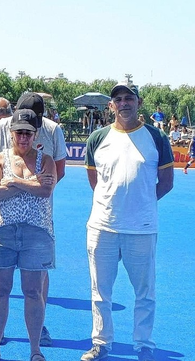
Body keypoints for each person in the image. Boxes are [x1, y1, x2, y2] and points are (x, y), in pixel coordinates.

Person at [81, 83, 173, 361]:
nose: (124, 103)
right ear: (111, 106)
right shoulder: (97, 138)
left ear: (138, 102)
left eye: (128, 98)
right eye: (118, 99)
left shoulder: (156, 138)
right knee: (100, 292)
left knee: (145, 292)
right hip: (102, 227)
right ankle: (101, 343)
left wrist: (140, 203)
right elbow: (94, 181)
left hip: (141, 229)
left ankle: (144, 344)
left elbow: (166, 183)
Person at [0, 92, 67, 347]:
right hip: (1, 224)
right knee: (0, 289)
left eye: (29, 131)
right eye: (19, 131)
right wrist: (31, 184)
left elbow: (52, 180)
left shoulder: (53, 132)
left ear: (38, 128)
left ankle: (37, 339)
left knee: (35, 287)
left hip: (38, 225)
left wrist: (17, 184)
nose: (23, 136)